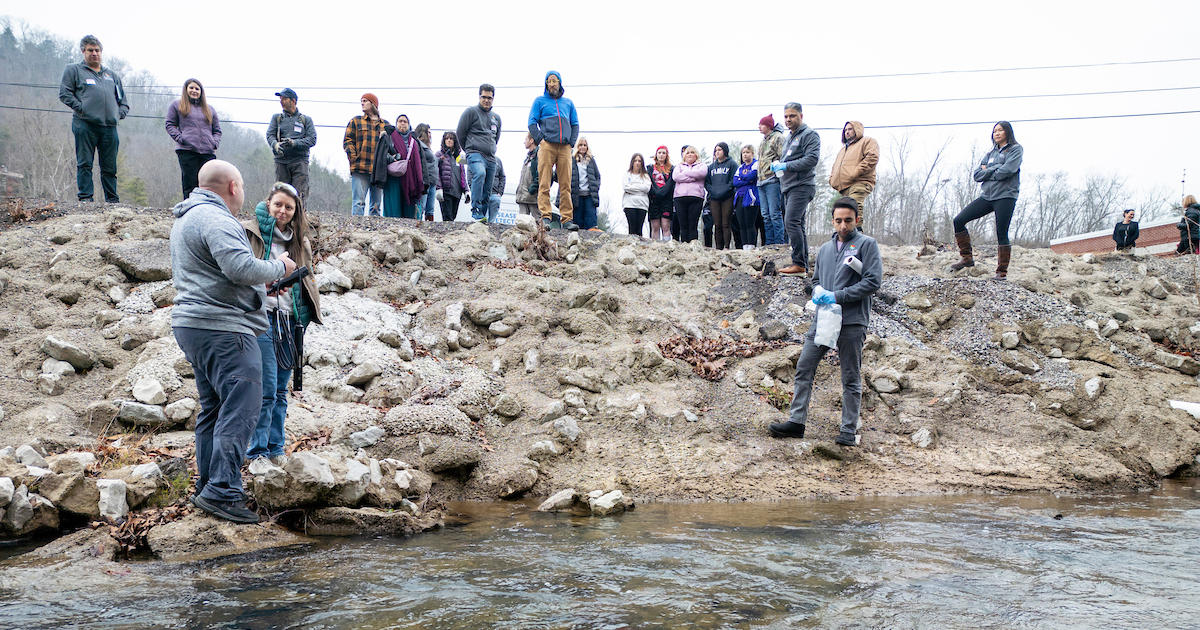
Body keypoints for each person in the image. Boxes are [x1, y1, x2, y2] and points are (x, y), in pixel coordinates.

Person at [170, 160, 296, 524]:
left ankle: (209, 485)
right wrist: (279, 269)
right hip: (223, 329)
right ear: (233, 187)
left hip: (195, 324)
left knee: (214, 407)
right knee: (243, 403)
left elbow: (218, 273)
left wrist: (262, 285)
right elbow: (240, 267)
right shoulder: (217, 218)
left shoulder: (187, 217)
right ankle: (223, 490)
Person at [769, 197, 882, 446]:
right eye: (839, 220)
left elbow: (873, 282)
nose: (843, 226)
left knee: (850, 376)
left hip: (852, 321)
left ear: (857, 220)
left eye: (848, 221)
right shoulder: (825, 249)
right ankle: (796, 422)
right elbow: (816, 279)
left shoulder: (867, 245)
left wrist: (838, 295)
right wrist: (818, 290)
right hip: (824, 319)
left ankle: (848, 431)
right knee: (804, 367)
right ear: (833, 220)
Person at [241, 182, 322, 465]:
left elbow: (308, 279)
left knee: (280, 391)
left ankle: (276, 449)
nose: (283, 211)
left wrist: (306, 315)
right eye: (278, 205)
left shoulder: (300, 241)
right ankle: (257, 452)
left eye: (289, 207)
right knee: (264, 390)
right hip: (260, 317)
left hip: (290, 320)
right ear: (268, 204)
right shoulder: (250, 233)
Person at [948, 121, 1024, 279]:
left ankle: (1001, 272)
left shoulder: (1015, 149)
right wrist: (995, 169)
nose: (996, 133)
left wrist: (989, 171)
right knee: (959, 220)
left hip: (1006, 196)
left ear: (1007, 132)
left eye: (1000, 130)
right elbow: (977, 175)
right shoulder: (991, 154)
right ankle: (967, 258)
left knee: (1001, 232)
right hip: (987, 196)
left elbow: (1008, 170)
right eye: (995, 131)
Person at [59, 34, 128, 203]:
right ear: (83, 51)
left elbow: (123, 101)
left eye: (97, 50)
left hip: (109, 128)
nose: (94, 53)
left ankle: (112, 200)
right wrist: (82, 108)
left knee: (110, 167)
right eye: (90, 50)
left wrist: (118, 114)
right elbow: (64, 93)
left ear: (101, 52)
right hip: (85, 124)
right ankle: (85, 199)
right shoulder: (74, 70)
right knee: (85, 164)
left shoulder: (111, 75)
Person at [771, 103, 821, 275]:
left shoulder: (809, 135)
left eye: (792, 116)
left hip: (802, 185)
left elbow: (811, 159)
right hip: (788, 186)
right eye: (785, 116)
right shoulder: (789, 138)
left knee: (791, 222)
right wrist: (778, 166)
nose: (788, 119)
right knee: (798, 224)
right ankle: (802, 265)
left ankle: (798, 263)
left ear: (801, 116)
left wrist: (786, 166)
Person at [528, 71, 581, 230]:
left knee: (566, 183)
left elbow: (575, 124)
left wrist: (571, 143)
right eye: (549, 81)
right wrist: (540, 139)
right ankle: (545, 217)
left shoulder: (568, 103)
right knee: (544, 181)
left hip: (565, 147)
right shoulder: (539, 101)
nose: (552, 84)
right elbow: (532, 122)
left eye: (554, 81)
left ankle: (567, 219)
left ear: (560, 83)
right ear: (546, 84)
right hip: (547, 146)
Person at [165, 78, 221, 199]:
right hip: (187, 151)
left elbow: (217, 130)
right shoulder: (177, 105)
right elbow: (169, 124)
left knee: (208, 184)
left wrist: (214, 143)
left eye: (197, 88)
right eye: (191, 88)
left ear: (201, 91)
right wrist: (181, 138)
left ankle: (206, 208)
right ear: (186, 90)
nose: (194, 91)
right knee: (190, 183)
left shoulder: (210, 109)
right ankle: (190, 210)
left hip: (207, 152)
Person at [456, 84, 502, 223]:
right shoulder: (471, 112)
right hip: (474, 153)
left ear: (493, 99)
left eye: (490, 98)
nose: (486, 100)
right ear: (479, 97)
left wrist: (491, 148)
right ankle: (475, 210)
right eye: (484, 97)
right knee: (480, 174)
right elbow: (460, 132)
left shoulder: (496, 118)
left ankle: (482, 215)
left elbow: (496, 138)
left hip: (491, 157)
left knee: (488, 187)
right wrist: (469, 149)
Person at [266, 88, 317, 201]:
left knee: (299, 195)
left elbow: (312, 139)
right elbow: (270, 135)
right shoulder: (277, 118)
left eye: (284, 98)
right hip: (281, 161)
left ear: (293, 101)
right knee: (281, 194)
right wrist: (275, 144)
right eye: (280, 99)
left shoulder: (305, 120)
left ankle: (299, 218)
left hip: (300, 161)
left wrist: (295, 143)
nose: (281, 101)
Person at [828, 121, 879, 231]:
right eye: (845, 130)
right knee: (845, 211)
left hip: (860, 181)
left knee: (854, 205)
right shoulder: (843, 149)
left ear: (857, 129)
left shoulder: (867, 141)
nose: (847, 132)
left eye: (850, 129)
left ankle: (857, 233)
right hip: (844, 186)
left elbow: (872, 157)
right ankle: (847, 235)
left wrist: (856, 172)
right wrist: (832, 180)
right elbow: (835, 166)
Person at [344, 93, 386, 216]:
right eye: (361, 101)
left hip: (378, 171)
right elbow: (347, 141)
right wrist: (353, 158)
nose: (362, 103)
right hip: (360, 168)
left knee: (376, 206)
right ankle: (356, 231)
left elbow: (390, 148)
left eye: (365, 101)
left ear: (373, 104)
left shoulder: (385, 125)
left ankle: (374, 233)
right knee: (358, 202)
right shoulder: (356, 121)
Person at [383, 114, 423, 219]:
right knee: (393, 209)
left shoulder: (414, 141)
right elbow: (382, 155)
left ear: (409, 125)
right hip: (393, 177)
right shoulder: (389, 137)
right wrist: (393, 158)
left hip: (410, 179)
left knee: (409, 210)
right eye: (400, 121)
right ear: (396, 124)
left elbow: (419, 161)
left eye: (405, 121)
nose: (402, 123)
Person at [757, 114, 786, 245]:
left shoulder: (778, 138)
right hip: (761, 181)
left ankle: (779, 243)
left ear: (768, 125)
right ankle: (769, 243)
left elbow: (783, 157)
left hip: (772, 180)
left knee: (775, 213)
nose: (759, 127)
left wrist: (777, 166)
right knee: (765, 215)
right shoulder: (763, 141)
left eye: (761, 124)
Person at [706, 142, 737, 250]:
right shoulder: (711, 167)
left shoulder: (732, 164)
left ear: (725, 151)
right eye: (716, 150)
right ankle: (718, 248)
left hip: (727, 197)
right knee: (717, 224)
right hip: (714, 198)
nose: (717, 152)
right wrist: (713, 191)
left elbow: (733, 180)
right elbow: (707, 183)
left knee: (725, 223)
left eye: (719, 150)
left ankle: (727, 247)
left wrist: (725, 190)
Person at [673, 146, 707, 243]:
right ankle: (684, 248)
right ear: (684, 155)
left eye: (692, 152)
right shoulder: (679, 166)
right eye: (687, 153)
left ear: (696, 155)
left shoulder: (702, 165)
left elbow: (701, 173)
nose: (690, 154)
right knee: (683, 225)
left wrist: (685, 173)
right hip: (680, 198)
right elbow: (676, 177)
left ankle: (693, 246)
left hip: (696, 197)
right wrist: (693, 177)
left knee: (693, 225)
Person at [435, 132, 469, 222]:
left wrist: (466, 190)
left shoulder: (459, 157)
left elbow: (463, 175)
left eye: (451, 138)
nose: (449, 140)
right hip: (446, 191)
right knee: (448, 219)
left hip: (457, 192)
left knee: (452, 217)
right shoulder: (439, 155)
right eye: (447, 138)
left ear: (455, 141)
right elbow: (436, 172)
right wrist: (438, 188)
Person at [731, 145, 760, 250]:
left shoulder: (755, 164)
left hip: (751, 196)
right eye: (743, 153)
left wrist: (742, 178)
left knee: (749, 223)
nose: (745, 155)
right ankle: (744, 246)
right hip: (739, 197)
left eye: (747, 152)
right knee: (741, 223)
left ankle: (751, 245)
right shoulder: (740, 167)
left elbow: (752, 177)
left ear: (752, 153)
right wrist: (745, 179)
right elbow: (735, 181)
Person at [571, 138, 602, 230]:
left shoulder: (591, 160)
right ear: (577, 147)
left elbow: (597, 176)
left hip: (589, 195)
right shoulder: (572, 160)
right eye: (580, 145)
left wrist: (595, 187)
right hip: (577, 195)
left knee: (591, 221)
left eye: (585, 145)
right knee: (577, 221)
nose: (583, 147)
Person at [647, 146, 674, 242]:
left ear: (667, 155)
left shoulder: (672, 168)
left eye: (663, 153)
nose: (661, 155)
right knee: (655, 226)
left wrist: (662, 192)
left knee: (666, 225)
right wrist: (656, 191)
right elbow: (649, 182)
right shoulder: (650, 168)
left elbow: (671, 183)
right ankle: (655, 247)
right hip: (654, 199)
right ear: (656, 154)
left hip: (666, 200)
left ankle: (666, 246)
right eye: (659, 153)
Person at [622, 153, 651, 237]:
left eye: (639, 161)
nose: (637, 163)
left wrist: (633, 187)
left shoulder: (645, 176)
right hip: (629, 204)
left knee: (639, 230)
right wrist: (640, 188)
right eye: (635, 161)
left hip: (642, 205)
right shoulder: (627, 175)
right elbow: (626, 187)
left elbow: (646, 188)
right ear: (632, 162)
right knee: (632, 230)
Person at [414, 124, 438, 221]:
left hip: (432, 180)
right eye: (428, 132)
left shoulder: (428, 148)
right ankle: (417, 224)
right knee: (421, 205)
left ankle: (429, 229)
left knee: (430, 209)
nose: (430, 135)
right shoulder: (418, 144)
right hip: (424, 180)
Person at [514, 133, 540, 217]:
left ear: (531, 140)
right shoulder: (528, 157)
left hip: (532, 197)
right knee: (522, 223)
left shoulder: (539, 156)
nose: (524, 142)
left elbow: (541, 175)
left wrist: (533, 189)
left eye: (526, 139)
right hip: (523, 196)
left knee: (537, 222)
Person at [487, 159, 506, 224]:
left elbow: (502, 177)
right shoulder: (479, 158)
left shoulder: (498, 161)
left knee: (492, 221)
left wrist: (500, 192)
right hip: (482, 194)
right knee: (483, 219)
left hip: (495, 194)